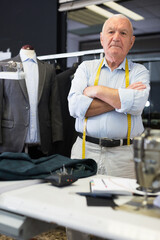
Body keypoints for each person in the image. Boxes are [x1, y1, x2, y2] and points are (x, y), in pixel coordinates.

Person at [68, 14, 150, 179]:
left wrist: (96, 91)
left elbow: (137, 104)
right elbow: (75, 107)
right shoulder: (85, 68)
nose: (116, 38)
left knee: (121, 202)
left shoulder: (140, 72)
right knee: (78, 202)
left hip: (124, 156)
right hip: (85, 150)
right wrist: (122, 98)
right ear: (102, 39)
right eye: (111, 32)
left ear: (131, 42)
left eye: (123, 33)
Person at [0, 44, 63, 158]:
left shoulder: (48, 70)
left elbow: (55, 106)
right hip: (11, 142)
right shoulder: (4, 66)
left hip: (41, 144)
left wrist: (57, 138)